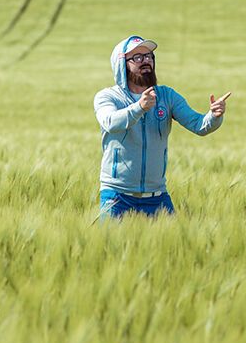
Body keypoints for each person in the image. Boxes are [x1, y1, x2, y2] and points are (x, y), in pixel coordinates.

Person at [93, 35, 231, 219]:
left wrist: (214, 116)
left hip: (157, 197)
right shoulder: (107, 97)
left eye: (149, 56)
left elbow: (199, 125)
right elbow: (110, 122)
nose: (146, 61)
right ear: (121, 63)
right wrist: (139, 107)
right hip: (117, 196)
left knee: (175, 247)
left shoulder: (167, 96)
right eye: (138, 57)